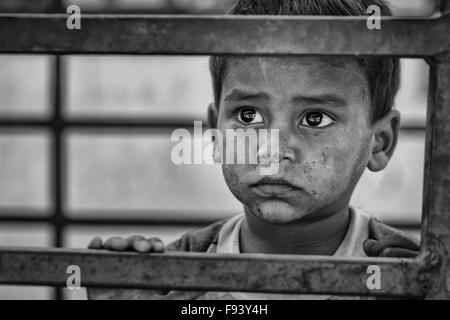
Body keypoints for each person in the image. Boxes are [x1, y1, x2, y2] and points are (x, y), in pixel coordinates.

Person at [88, 0, 420, 300]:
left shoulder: (402, 271)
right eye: (249, 115)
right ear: (216, 134)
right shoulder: (177, 273)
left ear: (380, 142)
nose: (272, 151)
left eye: (315, 118)